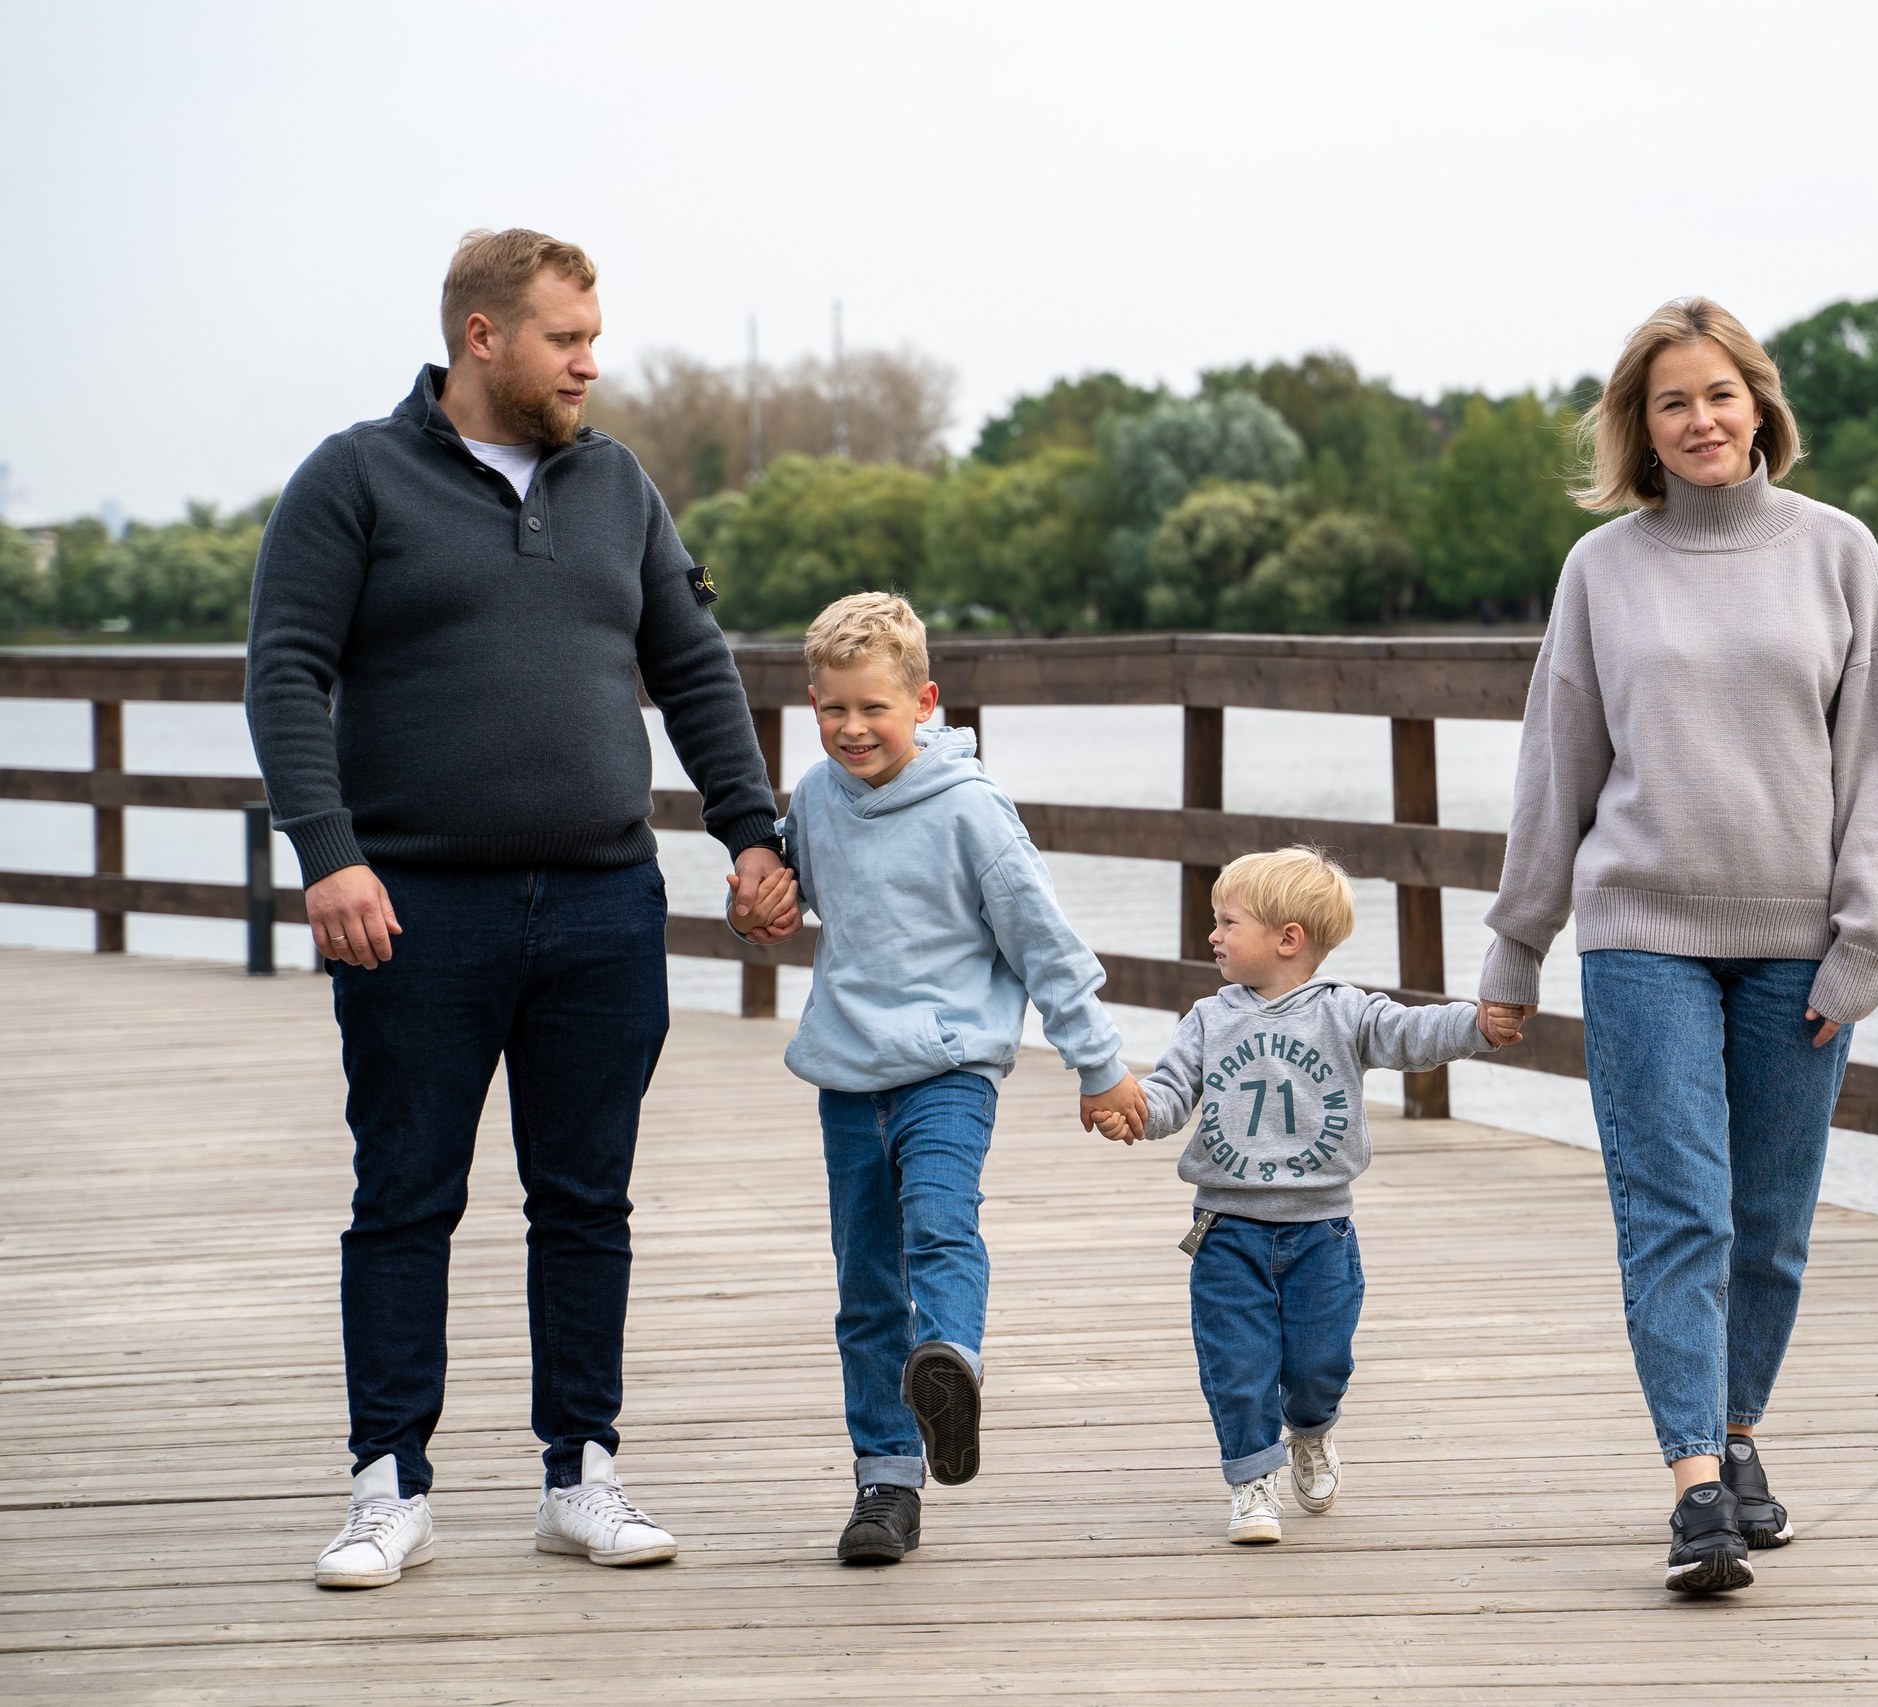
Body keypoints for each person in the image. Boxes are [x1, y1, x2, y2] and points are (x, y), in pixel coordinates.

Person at [249, 229, 791, 1590]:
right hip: (414, 910)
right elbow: (286, 670)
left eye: (593, 337)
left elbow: (693, 667)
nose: (589, 363)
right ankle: (388, 1488)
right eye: (566, 337)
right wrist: (328, 853)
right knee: (404, 1198)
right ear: (482, 336)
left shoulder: (618, 484)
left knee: (587, 1200)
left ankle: (581, 1473)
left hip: (607, 904)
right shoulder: (354, 477)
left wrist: (753, 831)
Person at [1476, 298, 1878, 1596]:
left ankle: (1734, 1432)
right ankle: (1694, 1487)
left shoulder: (1838, 553)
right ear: (1642, 427)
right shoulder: (1602, 570)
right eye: (1672, 401)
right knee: (1677, 1212)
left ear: (1758, 405)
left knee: (1768, 1224)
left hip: (1798, 947)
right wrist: (1518, 939)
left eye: (1719, 393)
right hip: (1641, 939)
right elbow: (1558, 763)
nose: (1700, 419)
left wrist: (1867, 943)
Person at [726, 591, 1151, 1567]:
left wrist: (1099, 1065)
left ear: (923, 702)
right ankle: (886, 1484)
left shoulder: (971, 810)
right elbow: (782, 894)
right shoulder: (818, 799)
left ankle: (950, 1358)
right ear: (812, 704)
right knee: (866, 1285)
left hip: (951, 1069)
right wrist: (756, 909)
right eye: (833, 708)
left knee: (939, 1223)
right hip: (848, 1076)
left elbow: (1046, 945)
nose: (852, 728)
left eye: (873, 708)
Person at [1089, 847, 1524, 1544]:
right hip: (1227, 1227)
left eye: (1228, 922)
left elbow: (1411, 1034)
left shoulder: (1343, 1012)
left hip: (1323, 1231)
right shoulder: (1206, 1018)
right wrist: (1135, 1112)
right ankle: (1251, 1483)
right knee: (1237, 1363)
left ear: (1287, 938)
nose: (1212, 935)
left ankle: (1312, 1429)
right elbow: (1170, 1092)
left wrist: (1476, 1024)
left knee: (1320, 1364)